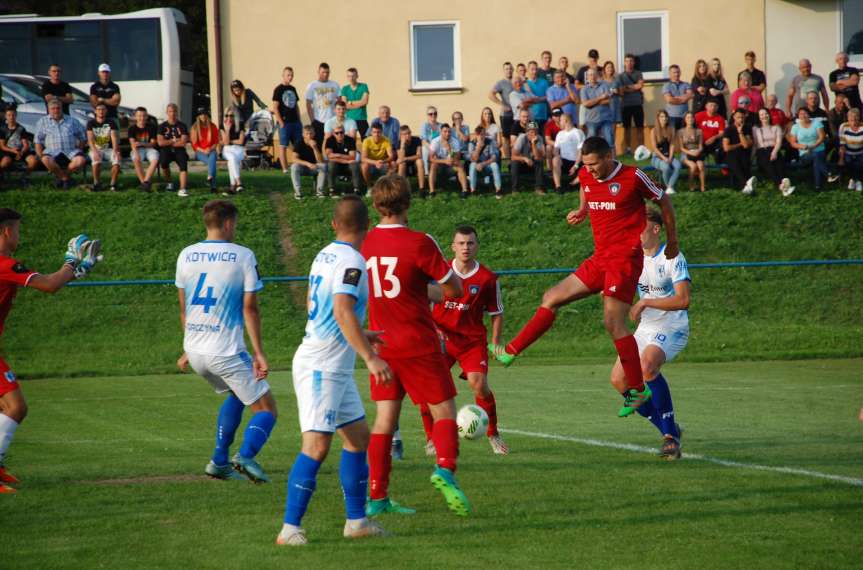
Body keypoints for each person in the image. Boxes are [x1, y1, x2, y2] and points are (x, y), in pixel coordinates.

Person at [489, 136, 678, 421]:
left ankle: (638, 389)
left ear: (608, 156)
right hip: (599, 258)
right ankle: (511, 351)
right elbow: (587, 191)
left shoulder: (632, 176)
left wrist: (673, 241)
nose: (588, 170)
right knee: (551, 297)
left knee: (613, 322)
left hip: (625, 260)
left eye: (593, 164)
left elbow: (664, 202)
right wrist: (581, 211)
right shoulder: (585, 174)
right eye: (585, 164)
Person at [277, 196, 390, 546]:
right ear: (367, 226)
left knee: (357, 438)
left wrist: (360, 330)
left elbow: (335, 311)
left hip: (333, 364)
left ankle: (357, 522)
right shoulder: (353, 260)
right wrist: (370, 356)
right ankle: (289, 529)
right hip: (322, 365)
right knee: (315, 446)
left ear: (333, 224)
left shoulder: (325, 253)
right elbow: (341, 310)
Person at [359, 174, 469, 518]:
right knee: (444, 412)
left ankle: (377, 497)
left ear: (376, 206)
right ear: (407, 203)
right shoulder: (420, 242)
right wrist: (425, 289)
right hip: (419, 343)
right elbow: (455, 290)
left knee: (384, 422)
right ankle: (445, 468)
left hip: (381, 345)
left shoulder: (365, 244)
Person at [175, 200, 277, 483]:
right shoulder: (243, 256)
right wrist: (258, 353)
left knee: (237, 394)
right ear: (229, 223)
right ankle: (245, 456)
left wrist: (187, 348)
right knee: (267, 409)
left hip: (196, 351)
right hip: (226, 350)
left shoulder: (186, 255)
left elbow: (185, 309)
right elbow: (250, 308)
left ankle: (219, 462)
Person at [0, 209, 101, 494]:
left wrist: (71, 271)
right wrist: (70, 263)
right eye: (18, 230)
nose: (19, 235)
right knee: (16, 408)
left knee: (5, 407)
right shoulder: (6, 264)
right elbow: (50, 284)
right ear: (7, 231)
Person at [609, 208, 689, 460]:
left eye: (640, 226)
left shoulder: (672, 257)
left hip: (672, 325)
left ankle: (670, 439)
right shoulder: (633, 258)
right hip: (646, 328)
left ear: (656, 229)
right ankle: (669, 429)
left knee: (647, 367)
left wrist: (645, 303)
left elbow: (683, 300)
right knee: (619, 380)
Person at [424, 225, 507, 455]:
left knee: (479, 384)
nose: (465, 247)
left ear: (477, 246)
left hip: (471, 341)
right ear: (453, 247)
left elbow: (496, 312)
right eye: (461, 243)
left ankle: (493, 432)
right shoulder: (440, 274)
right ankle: (431, 438)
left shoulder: (488, 278)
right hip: (441, 339)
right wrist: (432, 329)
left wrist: (495, 341)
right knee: (429, 387)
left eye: (470, 243)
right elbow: (423, 304)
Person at [34, 99, 87, 190]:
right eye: (53, 108)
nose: (56, 110)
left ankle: (61, 178)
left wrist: (79, 149)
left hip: (70, 151)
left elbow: (83, 137)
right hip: (52, 152)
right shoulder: (42, 121)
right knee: (45, 159)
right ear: (49, 110)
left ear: (62, 108)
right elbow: (38, 140)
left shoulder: (72, 121)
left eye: (58, 108)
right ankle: (66, 179)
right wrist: (40, 155)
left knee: (80, 160)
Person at [753, 108, 794, 196]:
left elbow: (779, 142)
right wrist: (752, 157)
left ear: (769, 115)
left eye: (766, 113)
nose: (764, 116)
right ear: (759, 117)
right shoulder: (756, 129)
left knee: (779, 164)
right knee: (769, 165)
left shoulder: (776, 127)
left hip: (774, 149)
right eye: (762, 114)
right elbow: (756, 144)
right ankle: (782, 185)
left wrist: (774, 152)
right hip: (761, 151)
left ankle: (782, 184)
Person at [788, 108, 830, 192]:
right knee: (816, 156)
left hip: (819, 149)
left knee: (816, 158)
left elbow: (822, 137)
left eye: (805, 113)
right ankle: (828, 174)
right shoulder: (795, 127)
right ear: (798, 116)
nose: (803, 115)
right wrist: (802, 146)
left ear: (809, 114)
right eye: (801, 114)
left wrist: (812, 146)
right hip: (805, 152)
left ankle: (817, 186)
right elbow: (792, 143)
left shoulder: (817, 123)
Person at [272, 67, 303, 174]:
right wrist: (281, 122)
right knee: (283, 146)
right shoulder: (278, 89)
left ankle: (299, 166)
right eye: (288, 75)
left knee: (298, 145)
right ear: (283, 75)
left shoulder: (293, 89)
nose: (290, 77)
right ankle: (285, 169)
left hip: (295, 122)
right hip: (285, 123)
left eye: (292, 75)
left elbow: (296, 106)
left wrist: (299, 120)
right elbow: (275, 107)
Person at [157, 103, 190, 197]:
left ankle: (182, 189)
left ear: (177, 112)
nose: (172, 113)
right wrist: (174, 140)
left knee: (183, 165)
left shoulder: (182, 125)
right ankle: (169, 183)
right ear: (167, 112)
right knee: (163, 163)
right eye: (170, 111)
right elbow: (160, 143)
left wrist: (168, 141)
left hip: (179, 150)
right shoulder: (162, 126)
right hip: (166, 150)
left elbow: (183, 142)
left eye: (174, 111)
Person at [86, 102, 120, 192]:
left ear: (106, 111)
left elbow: (114, 137)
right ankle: (96, 183)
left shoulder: (111, 122)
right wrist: (95, 151)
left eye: (103, 109)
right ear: (95, 111)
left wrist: (116, 151)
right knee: (96, 159)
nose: (101, 111)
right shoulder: (91, 123)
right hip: (96, 148)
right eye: (99, 109)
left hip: (109, 149)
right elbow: (90, 139)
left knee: (116, 160)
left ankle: (113, 184)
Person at [428, 123, 469, 198]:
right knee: (433, 165)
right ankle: (432, 191)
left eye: (449, 131)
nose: (447, 134)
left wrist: (449, 149)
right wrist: (444, 161)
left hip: (451, 165)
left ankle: (464, 190)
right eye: (445, 131)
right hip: (440, 166)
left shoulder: (454, 141)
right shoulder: (435, 141)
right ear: (441, 132)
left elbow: (458, 157)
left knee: (460, 165)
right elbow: (430, 158)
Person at [0, 106, 38, 184]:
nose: (11, 117)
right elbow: (2, 146)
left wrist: (21, 152)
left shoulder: (21, 129)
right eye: (9, 115)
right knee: (5, 162)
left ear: (16, 116)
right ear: (6, 116)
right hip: (8, 150)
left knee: (33, 160)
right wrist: (13, 151)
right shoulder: (2, 129)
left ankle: (25, 177)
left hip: (21, 150)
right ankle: (1, 177)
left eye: (13, 115)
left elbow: (25, 144)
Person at [305, 63, 340, 147]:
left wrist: (338, 117)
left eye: (327, 72)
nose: (325, 74)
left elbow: (339, 102)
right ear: (318, 72)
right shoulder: (312, 86)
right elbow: (308, 104)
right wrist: (312, 120)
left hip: (332, 120)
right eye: (323, 72)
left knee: (332, 144)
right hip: (318, 120)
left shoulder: (335, 85)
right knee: (318, 144)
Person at [722, 109, 756, 194]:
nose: (740, 119)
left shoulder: (747, 128)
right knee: (735, 163)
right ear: (734, 117)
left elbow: (746, 145)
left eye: (742, 117)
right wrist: (739, 144)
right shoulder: (728, 129)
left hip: (744, 153)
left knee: (745, 163)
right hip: (731, 154)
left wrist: (740, 132)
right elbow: (726, 148)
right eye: (738, 117)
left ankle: (745, 187)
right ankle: (746, 184)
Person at [580, 68, 614, 149]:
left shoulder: (604, 85)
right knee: (591, 143)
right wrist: (601, 97)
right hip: (591, 120)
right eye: (590, 75)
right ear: (587, 77)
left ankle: (613, 160)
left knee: (609, 141)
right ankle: (591, 160)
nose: (592, 76)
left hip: (606, 119)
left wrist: (592, 103)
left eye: (594, 74)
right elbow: (585, 104)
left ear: (597, 75)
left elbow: (608, 101)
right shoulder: (584, 89)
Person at [128, 107, 160, 192]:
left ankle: (145, 183)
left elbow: (153, 143)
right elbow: (132, 143)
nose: (142, 118)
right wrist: (136, 153)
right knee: (136, 159)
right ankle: (145, 184)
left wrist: (142, 144)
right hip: (137, 149)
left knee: (155, 159)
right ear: (135, 116)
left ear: (146, 116)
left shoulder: (152, 127)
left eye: (144, 116)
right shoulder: (132, 128)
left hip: (149, 148)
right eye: (139, 116)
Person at [291, 125, 327, 199]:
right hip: (303, 168)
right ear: (303, 135)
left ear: (314, 134)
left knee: (323, 166)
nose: (309, 136)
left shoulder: (318, 142)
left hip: (314, 167)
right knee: (294, 166)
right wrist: (307, 163)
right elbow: (294, 159)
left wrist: (315, 148)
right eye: (307, 134)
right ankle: (298, 192)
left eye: (311, 133)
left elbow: (320, 161)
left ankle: (319, 192)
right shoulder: (299, 143)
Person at [619, 54, 645, 154]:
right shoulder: (620, 76)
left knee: (640, 128)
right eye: (627, 61)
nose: (629, 63)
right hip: (625, 105)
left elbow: (640, 85)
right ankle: (628, 149)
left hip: (637, 104)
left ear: (633, 62)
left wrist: (627, 88)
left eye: (631, 61)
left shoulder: (638, 73)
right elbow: (621, 89)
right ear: (624, 63)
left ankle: (642, 149)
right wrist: (634, 87)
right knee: (627, 128)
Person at [552, 113, 585, 193]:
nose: (559, 122)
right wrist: (557, 156)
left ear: (566, 121)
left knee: (587, 166)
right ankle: (558, 187)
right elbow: (556, 149)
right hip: (564, 162)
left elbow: (581, 151)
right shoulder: (560, 134)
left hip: (577, 162)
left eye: (560, 120)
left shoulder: (578, 132)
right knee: (555, 159)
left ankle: (571, 185)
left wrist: (575, 166)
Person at [651, 110, 682, 194]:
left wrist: (671, 157)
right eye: (662, 116)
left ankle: (669, 187)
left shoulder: (671, 129)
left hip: (669, 155)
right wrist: (664, 158)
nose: (664, 118)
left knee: (678, 166)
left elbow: (672, 145)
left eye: (665, 116)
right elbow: (655, 148)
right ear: (658, 118)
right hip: (657, 157)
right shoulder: (654, 131)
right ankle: (669, 187)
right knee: (666, 167)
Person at [190, 107, 220, 192]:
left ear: (207, 115)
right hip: (200, 152)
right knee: (212, 161)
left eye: (204, 114)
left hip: (211, 150)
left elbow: (216, 141)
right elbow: (194, 144)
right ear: (198, 116)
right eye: (201, 114)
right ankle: (213, 186)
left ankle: (210, 177)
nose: (203, 116)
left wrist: (210, 149)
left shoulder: (213, 126)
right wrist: (203, 150)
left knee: (213, 156)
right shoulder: (194, 127)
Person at [511, 121, 545, 194]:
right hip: (522, 164)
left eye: (536, 131)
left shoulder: (539, 138)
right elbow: (513, 156)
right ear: (527, 132)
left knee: (540, 161)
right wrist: (524, 158)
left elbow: (538, 157)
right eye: (532, 131)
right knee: (514, 163)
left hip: (532, 164)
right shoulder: (522, 138)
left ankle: (539, 188)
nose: (534, 134)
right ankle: (515, 189)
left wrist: (533, 144)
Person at [489, 62, 515, 158]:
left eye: (510, 68)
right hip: (506, 115)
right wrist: (502, 104)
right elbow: (490, 94)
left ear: (513, 70)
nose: (509, 70)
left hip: (518, 115)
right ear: (504, 71)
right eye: (506, 69)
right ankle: (508, 160)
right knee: (506, 139)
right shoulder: (501, 83)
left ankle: (517, 160)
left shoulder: (516, 81)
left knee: (518, 137)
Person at [325, 127, 361, 196]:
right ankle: (331, 189)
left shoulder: (350, 140)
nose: (339, 134)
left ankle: (356, 189)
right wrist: (346, 160)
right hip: (337, 164)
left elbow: (352, 157)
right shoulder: (330, 140)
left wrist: (337, 155)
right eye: (337, 133)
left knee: (354, 164)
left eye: (341, 132)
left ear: (344, 132)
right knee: (331, 164)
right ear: (333, 134)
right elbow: (329, 156)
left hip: (348, 165)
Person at [468, 125, 501, 197]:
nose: (481, 136)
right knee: (472, 165)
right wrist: (479, 147)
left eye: (483, 134)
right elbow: (473, 159)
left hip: (487, 166)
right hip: (477, 167)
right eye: (479, 134)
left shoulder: (490, 142)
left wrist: (483, 164)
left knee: (494, 165)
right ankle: (473, 190)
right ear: (476, 134)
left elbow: (494, 157)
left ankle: (498, 190)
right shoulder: (471, 143)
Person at [676, 111, 706, 192]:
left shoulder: (699, 131)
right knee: (693, 166)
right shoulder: (680, 132)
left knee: (701, 165)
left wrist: (698, 151)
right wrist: (690, 152)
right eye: (688, 117)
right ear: (685, 119)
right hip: (686, 154)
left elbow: (700, 146)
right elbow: (681, 148)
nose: (690, 119)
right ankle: (691, 185)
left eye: (692, 117)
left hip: (697, 153)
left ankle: (703, 186)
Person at [361, 122, 395, 190]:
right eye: (374, 132)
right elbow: (363, 158)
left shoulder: (386, 140)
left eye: (378, 132)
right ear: (371, 132)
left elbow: (391, 156)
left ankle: (384, 185)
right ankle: (369, 187)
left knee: (393, 164)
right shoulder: (366, 141)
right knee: (364, 166)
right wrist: (375, 162)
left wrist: (382, 161)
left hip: (382, 163)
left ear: (382, 132)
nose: (376, 134)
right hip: (371, 164)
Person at [221, 108, 246, 194]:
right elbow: (226, 143)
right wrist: (227, 130)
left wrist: (231, 141)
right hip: (227, 150)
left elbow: (241, 141)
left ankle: (232, 185)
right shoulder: (222, 125)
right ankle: (239, 183)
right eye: (226, 115)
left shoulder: (240, 125)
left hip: (238, 150)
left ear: (235, 116)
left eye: (231, 115)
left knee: (231, 161)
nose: (229, 118)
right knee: (232, 158)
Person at [695, 98, 726, 164]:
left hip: (714, 143)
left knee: (722, 144)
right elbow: (693, 129)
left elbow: (721, 133)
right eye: (711, 105)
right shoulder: (698, 116)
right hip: (701, 142)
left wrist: (714, 138)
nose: (713, 107)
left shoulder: (720, 118)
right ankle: (697, 170)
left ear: (717, 107)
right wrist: (700, 140)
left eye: (715, 106)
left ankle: (724, 169)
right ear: (706, 106)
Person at [340, 68, 371, 136]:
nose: (351, 78)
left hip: (361, 118)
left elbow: (365, 102)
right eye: (349, 76)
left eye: (353, 76)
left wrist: (350, 103)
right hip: (349, 118)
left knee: (366, 139)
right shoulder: (345, 89)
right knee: (350, 141)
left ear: (357, 76)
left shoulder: (363, 86)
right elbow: (344, 104)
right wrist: (359, 103)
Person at [839, 108, 863, 191]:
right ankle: (853, 180)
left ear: (859, 118)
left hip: (860, 151)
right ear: (848, 118)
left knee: (860, 163)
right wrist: (841, 159)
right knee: (848, 162)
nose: (854, 121)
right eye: (851, 119)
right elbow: (842, 144)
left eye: (856, 118)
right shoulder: (843, 126)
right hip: (848, 151)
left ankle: (858, 181)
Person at [395, 125, 425, 193]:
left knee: (420, 161)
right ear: (401, 136)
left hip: (414, 164)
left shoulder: (416, 139)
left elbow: (419, 155)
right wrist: (402, 145)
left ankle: (422, 189)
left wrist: (406, 158)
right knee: (402, 164)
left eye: (409, 133)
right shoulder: (399, 143)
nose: (408, 135)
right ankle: (400, 190)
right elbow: (400, 159)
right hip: (404, 165)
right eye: (405, 134)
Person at [663, 65, 693, 130]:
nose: (677, 74)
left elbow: (690, 95)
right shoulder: (666, 86)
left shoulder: (686, 84)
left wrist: (675, 99)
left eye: (678, 72)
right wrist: (683, 99)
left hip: (685, 117)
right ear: (670, 74)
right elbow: (669, 100)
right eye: (674, 72)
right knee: (673, 138)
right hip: (671, 117)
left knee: (683, 139)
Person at [525, 61, 550, 133]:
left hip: (543, 116)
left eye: (536, 69)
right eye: (532, 69)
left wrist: (537, 99)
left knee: (543, 138)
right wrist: (540, 99)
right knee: (532, 137)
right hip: (531, 117)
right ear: (528, 70)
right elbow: (526, 99)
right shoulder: (525, 84)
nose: (534, 71)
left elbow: (548, 97)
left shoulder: (544, 82)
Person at [602, 61, 622, 151]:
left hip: (614, 105)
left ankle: (612, 148)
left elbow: (622, 92)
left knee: (613, 128)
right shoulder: (601, 81)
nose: (609, 69)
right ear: (604, 70)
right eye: (608, 68)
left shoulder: (617, 80)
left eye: (611, 67)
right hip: (604, 106)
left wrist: (617, 91)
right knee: (605, 128)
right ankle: (604, 148)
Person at [419, 106, 442, 173]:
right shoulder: (424, 125)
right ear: (427, 115)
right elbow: (424, 141)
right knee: (424, 149)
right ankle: (426, 172)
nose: (433, 115)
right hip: (429, 147)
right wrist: (432, 149)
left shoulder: (441, 125)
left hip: (440, 146)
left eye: (435, 113)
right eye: (430, 114)